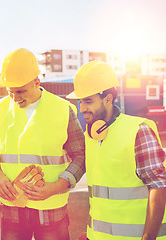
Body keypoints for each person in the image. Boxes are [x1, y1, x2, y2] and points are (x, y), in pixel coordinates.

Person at [0, 48, 86, 240]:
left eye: (21, 91)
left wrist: (57, 186)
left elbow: (81, 156)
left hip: (51, 208)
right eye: (10, 92)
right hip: (12, 207)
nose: (15, 98)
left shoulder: (63, 109)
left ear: (37, 82)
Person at [65, 61, 166, 240]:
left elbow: (159, 186)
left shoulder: (138, 131)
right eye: (80, 102)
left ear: (108, 99)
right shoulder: (89, 136)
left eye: (88, 101)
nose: (82, 109)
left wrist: (148, 237)